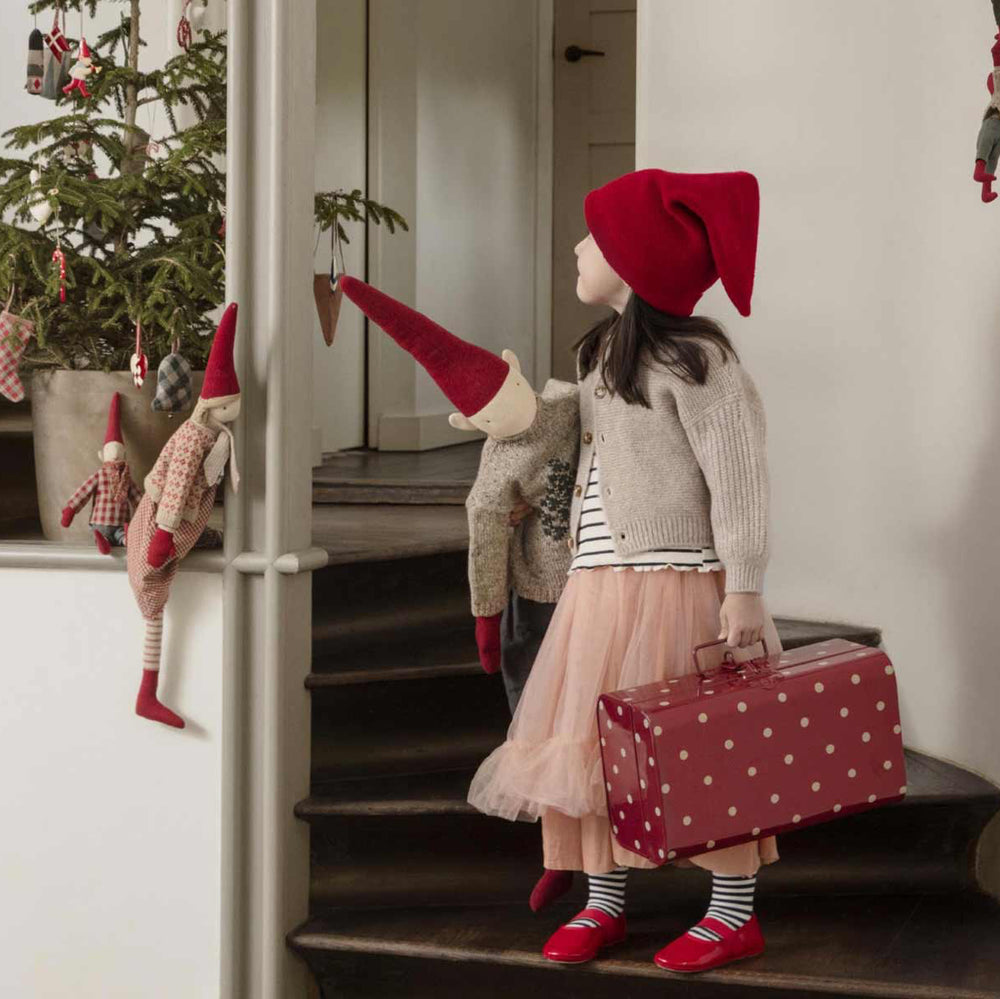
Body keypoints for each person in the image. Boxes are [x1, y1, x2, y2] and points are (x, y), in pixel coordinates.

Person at [467, 168, 784, 974]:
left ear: (638, 259)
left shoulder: (699, 361)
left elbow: (739, 478)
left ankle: (732, 914)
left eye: (595, 236)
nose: (579, 246)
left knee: (709, 751)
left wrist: (744, 585)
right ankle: (602, 899)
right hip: (599, 585)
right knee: (587, 745)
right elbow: (576, 454)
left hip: (678, 584)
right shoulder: (600, 354)